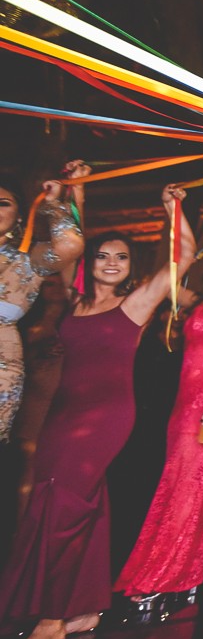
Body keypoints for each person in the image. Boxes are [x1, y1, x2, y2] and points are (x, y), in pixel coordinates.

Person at [0, 185, 195, 639]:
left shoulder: (137, 304)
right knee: (60, 504)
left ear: (131, 267)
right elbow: (73, 245)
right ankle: (83, 610)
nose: (112, 262)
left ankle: (52, 618)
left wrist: (174, 209)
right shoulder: (75, 299)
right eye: (104, 254)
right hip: (62, 413)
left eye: (122, 257)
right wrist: (75, 196)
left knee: (65, 506)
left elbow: (183, 254)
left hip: (106, 418)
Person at [114, 250, 203, 600]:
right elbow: (168, 272)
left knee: (189, 483)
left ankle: (170, 572)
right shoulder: (195, 304)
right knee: (173, 479)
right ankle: (176, 568)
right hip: (182, 404)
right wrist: (176, 215)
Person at [0, 162, 85, 443]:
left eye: (3, 203)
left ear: (20, 215)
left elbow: (71, 245)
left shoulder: (28, 258)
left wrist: (53, 204)